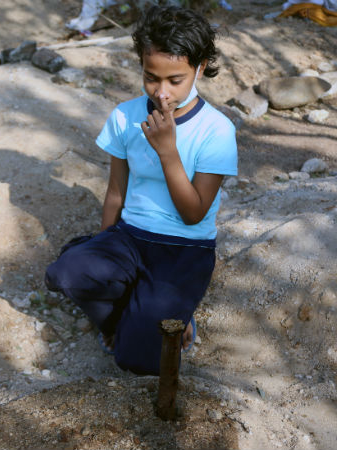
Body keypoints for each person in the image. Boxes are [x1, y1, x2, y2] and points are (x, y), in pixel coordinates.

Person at [45, 4, 238, 376]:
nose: (161, 92)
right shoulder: (125, 115)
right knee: (65, 273)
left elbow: (194, 212)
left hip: (184, 249)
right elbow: (116, 189)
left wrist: (167, 150)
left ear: (200, 69)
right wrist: (102, 249)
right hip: (130, 237)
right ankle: (130, 315)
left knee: (134, 362)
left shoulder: (217, 130)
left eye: (175, 80)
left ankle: (174, 315)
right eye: (151, 78)